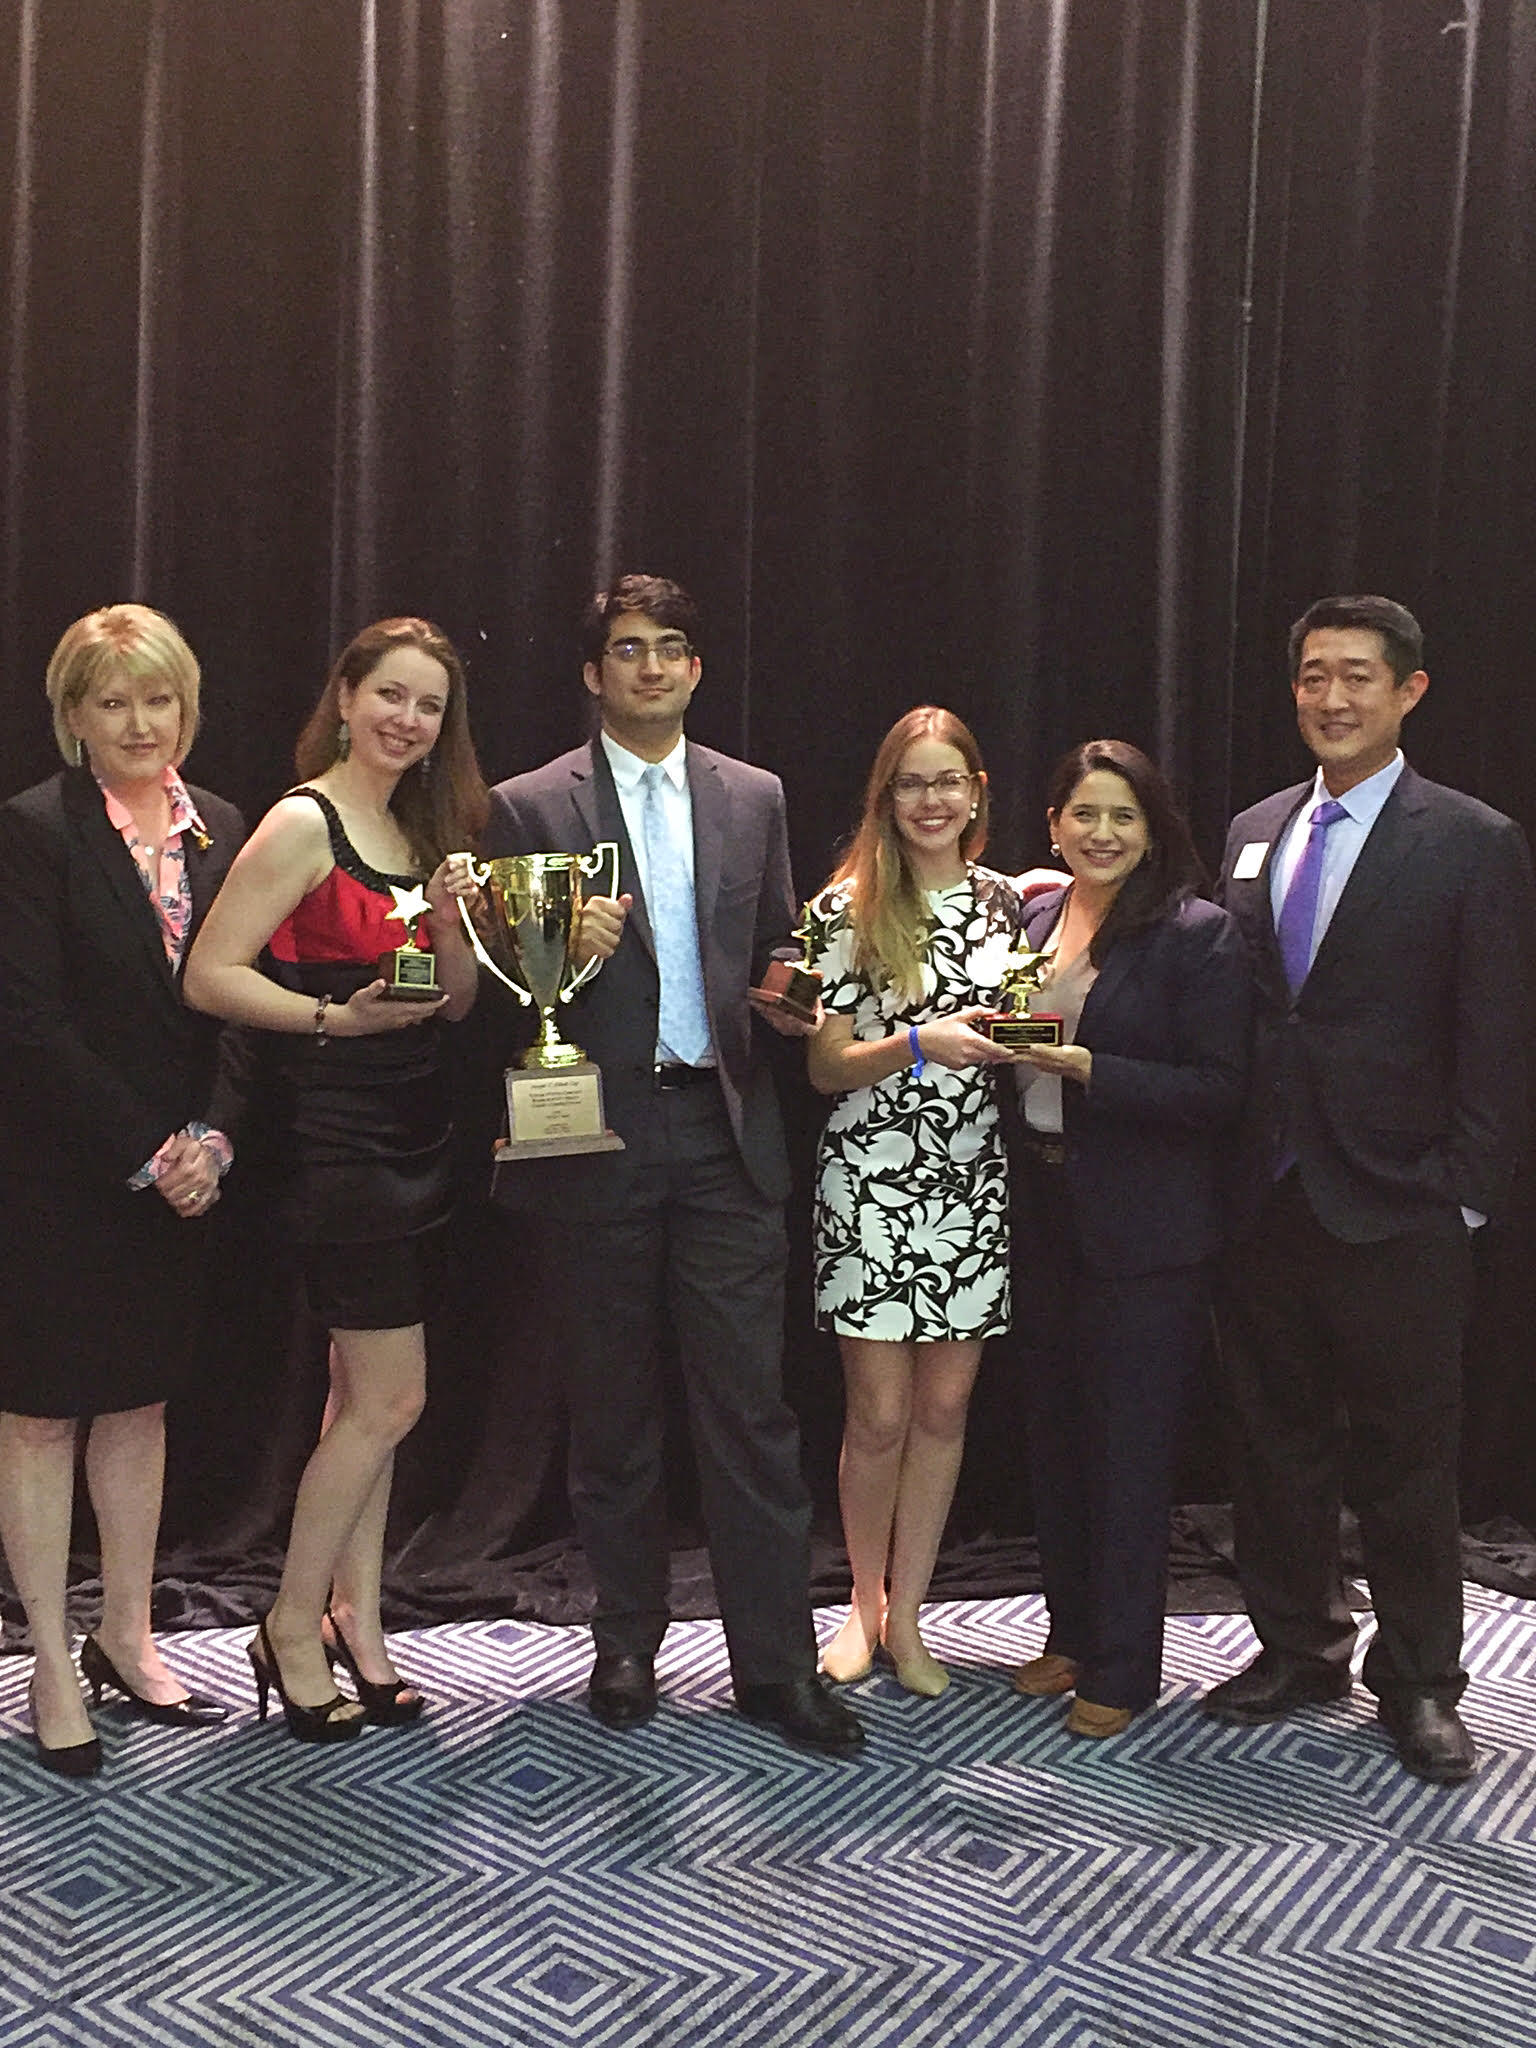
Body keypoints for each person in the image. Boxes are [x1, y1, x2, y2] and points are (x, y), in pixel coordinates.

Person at [483, 574, 862, 1757]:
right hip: (592, 1129)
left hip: (724, 1128)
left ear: (697, 669)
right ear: (594, 674)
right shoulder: (528, 804)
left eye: (673, 650)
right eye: (628, 651)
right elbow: (502, 990)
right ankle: (628, 1637)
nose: (652, 668)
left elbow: (780, 940)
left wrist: (793, 999)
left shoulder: (755, 794)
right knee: (612, 1409)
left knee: (750, 1410)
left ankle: (775, 1663)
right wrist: (556, 949)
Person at [1202, 595, 1536, 1784]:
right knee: (1272, 1440)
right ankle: (1299, 1646)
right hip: (1266, 1199)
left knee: (1406, 1458)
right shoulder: (1254, 828)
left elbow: (1498, 1037)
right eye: (1311, 676)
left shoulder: (1471, 839)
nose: (1330, 698)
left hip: (1402, 1203)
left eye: (1355, 676)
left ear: (1410, 691)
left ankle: (1422, 1682)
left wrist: (1465, 1196)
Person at [184, 617, 486, 1742]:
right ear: (347, 696)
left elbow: (454, 999)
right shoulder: (302, 821)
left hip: (419, 1127)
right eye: (391, 696)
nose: (409, 720)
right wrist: (330, 1016)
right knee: (391, 1397)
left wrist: (454, 926)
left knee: (365, 1406)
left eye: (430, 706)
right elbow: (210, 974)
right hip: (337, 1139)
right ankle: (289, 1622)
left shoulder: (416, 826)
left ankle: (359, 1625)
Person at [0, 604, 246, 1776]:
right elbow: (29, 1025)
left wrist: (216, 1137)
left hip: (187, 1172)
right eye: (112, 702)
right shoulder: (34, 830)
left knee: (141, 1406)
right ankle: (50, 1654)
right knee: (44, 1414)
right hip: (65, 1174)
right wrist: (153, 1147)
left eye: (157, 699)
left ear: (185, 706)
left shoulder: (228, 827)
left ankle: (126, 1630)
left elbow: (243, 1007)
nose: (139, 723)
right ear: (74, 717)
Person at [1007, 740, 1249, 1737]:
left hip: (1146, 1231)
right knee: (1055, 1433)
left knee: (1130, 1449)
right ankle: (1071, 1630)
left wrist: (1088, 1065)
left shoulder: (1197, 934)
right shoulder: (1032, 913)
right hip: (1042, 1210)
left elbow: (1220, 1090)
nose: (1100, 833)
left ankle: (1125, 1661)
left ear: (1153, 829)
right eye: (1083, 814)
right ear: (1052, 824)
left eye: (1122, 816)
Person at [804, 707, 1022, 1697]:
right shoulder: (846, 906)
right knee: (880, 1413)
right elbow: (823, 1068)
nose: (931, 800)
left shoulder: (1008, 903)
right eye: (910, 783)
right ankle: (863, 1604)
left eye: (948, 781)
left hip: (970, 1181)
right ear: (884, 798)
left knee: (945, 1406)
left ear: (977, 790)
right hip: (872, 1180)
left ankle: (915, 1616)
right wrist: (925, 1039)